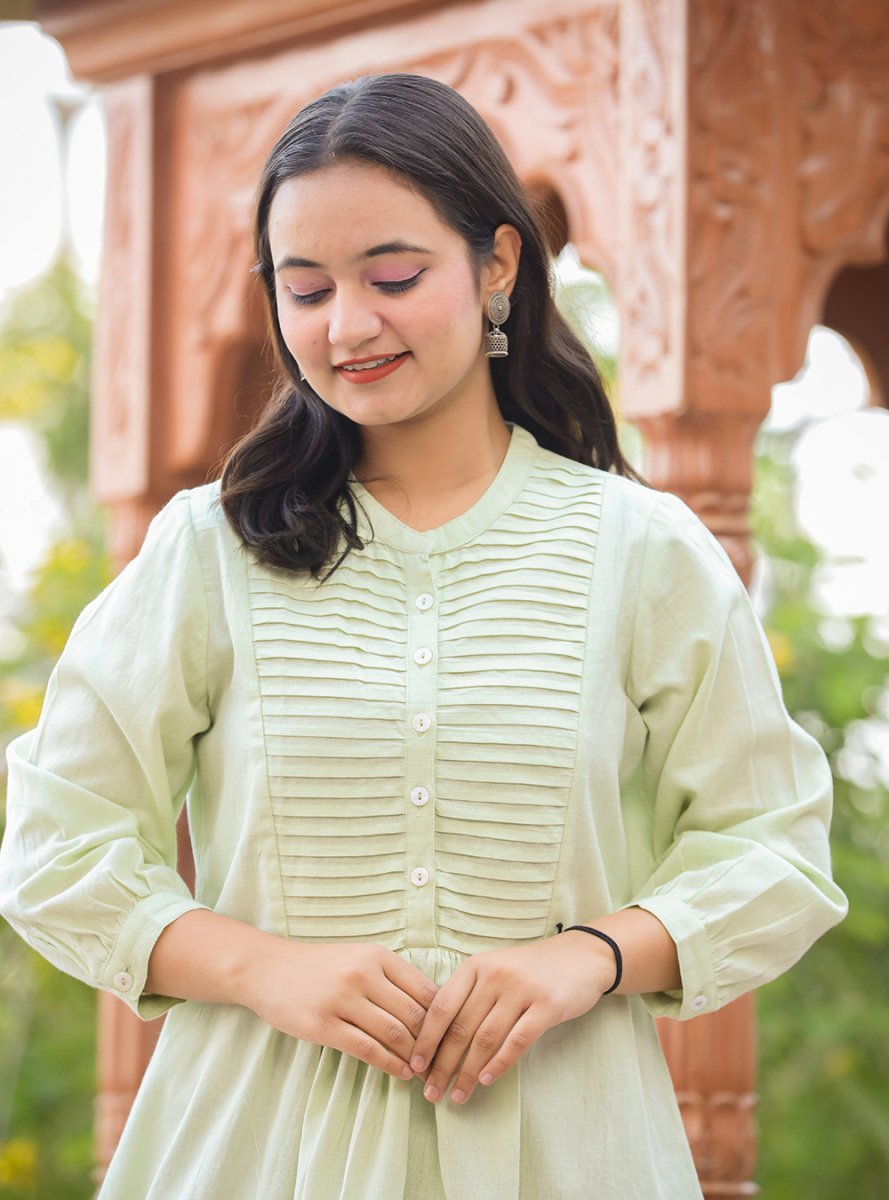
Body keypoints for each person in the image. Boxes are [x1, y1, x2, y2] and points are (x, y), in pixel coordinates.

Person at [0, 73, 847, 1200]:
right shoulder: (207, 549)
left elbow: (774, 850)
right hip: (251, 1151)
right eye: (305, 289)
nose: (347, 326)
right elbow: (57, 845)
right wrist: (260, 969)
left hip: (568, 1151)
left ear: (497, 264)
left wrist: (589, 958)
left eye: (393, 277)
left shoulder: (642, 550)